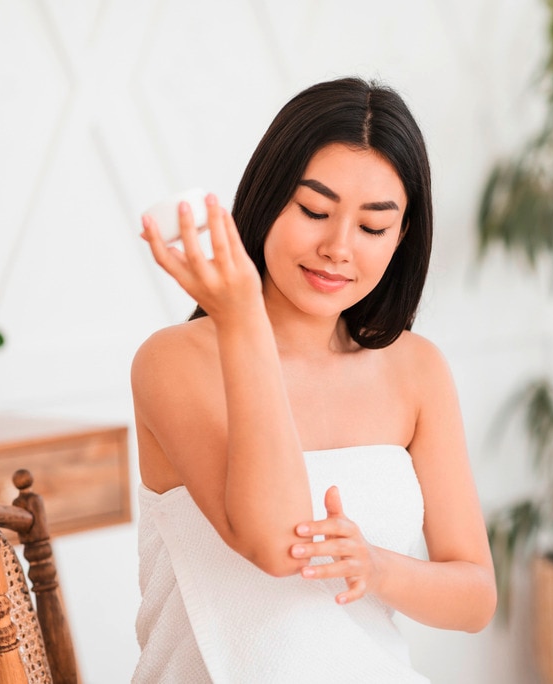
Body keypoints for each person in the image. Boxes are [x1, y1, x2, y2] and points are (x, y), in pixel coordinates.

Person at [130, 77, 496, 682]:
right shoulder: (174, 362)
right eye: (315, 211)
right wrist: (243, 316)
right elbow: (276, 544)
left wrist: (375, 567)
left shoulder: (417, 369)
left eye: (373, 228)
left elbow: (475, 596)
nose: (337, 247)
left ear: (401, 238)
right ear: (269, 198)